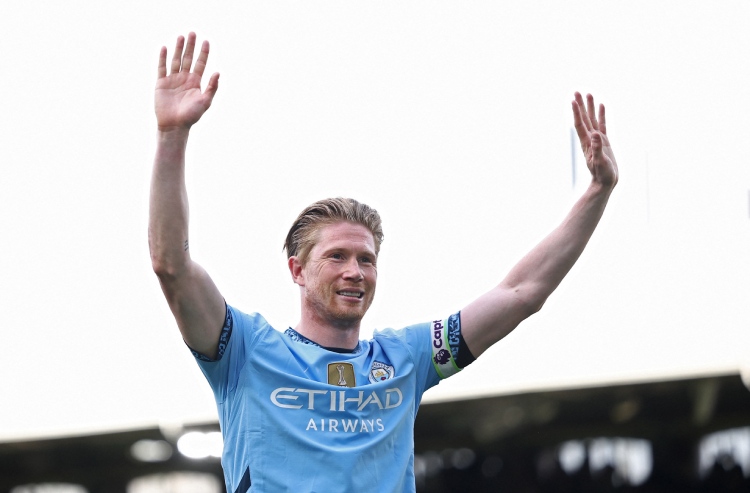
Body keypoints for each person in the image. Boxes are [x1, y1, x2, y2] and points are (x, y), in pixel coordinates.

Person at [149, 33, 618, 493]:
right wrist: (172, 135)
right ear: (297, 270)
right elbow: (172, 266)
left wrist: (598, 192)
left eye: (366, 260)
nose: (355, 271)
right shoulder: (245, 350)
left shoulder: (405, 359)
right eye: (336, 256)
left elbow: (521, 293)